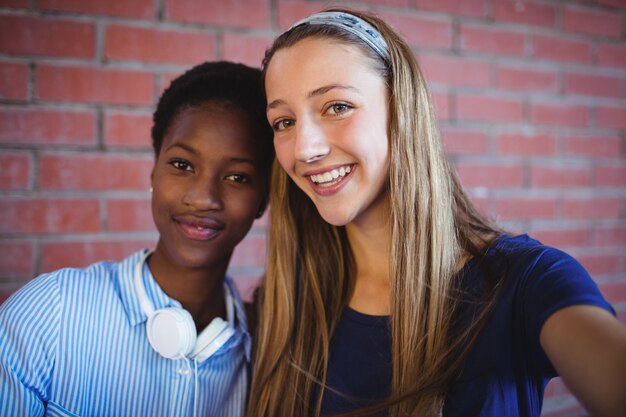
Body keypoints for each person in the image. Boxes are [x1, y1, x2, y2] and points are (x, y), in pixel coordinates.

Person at [247, 8, 626, 417]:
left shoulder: (523, 282)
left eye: (337, 107)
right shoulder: (282, 303)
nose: (305, 149)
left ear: (402, 111)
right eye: (284, 121)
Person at [0, 61, 274, 417]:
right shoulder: (50, 314)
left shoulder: (267, 357)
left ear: (262, 201)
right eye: (182, 165)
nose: (204, 197)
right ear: (153, 172)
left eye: (238, 177)